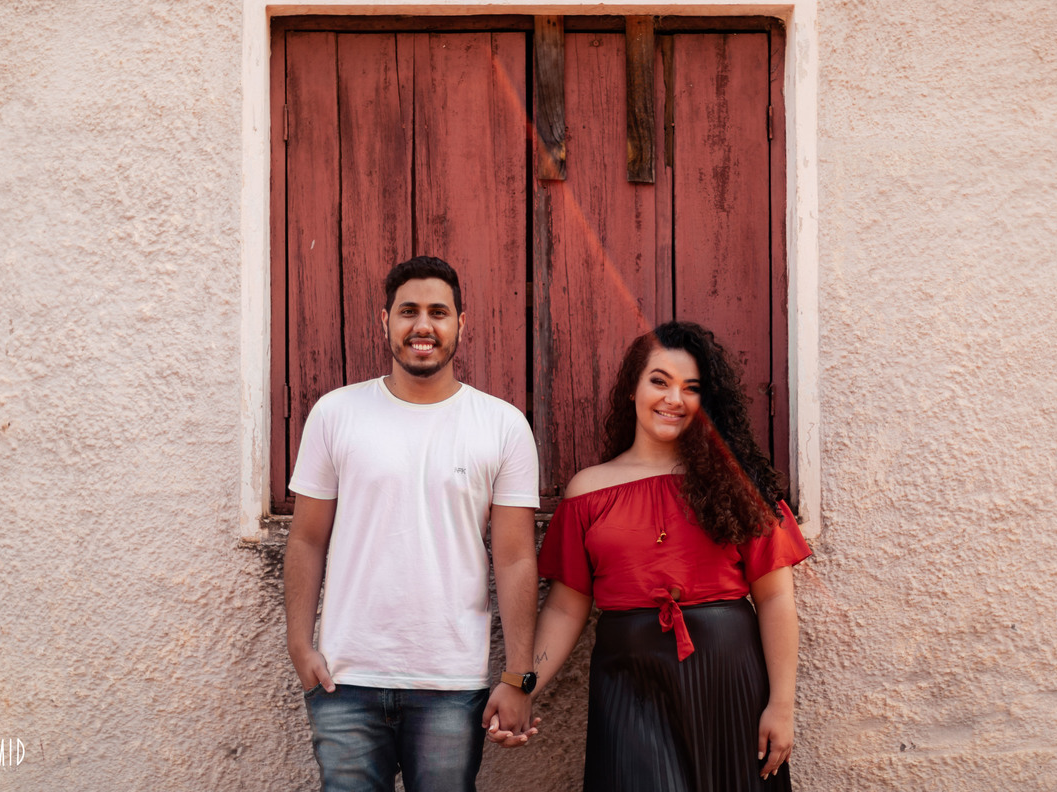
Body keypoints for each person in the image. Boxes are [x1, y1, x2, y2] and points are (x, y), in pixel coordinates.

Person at [284, 256, 541, 792]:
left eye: (438, 312)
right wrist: (299, 645)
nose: (423, 325)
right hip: (345, 681)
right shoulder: (335, 414)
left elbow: (516, 558)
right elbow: (306, 539)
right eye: (408, 311)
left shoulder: (502, 425)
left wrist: (518, 677)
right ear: (385, 321)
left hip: (451, 683)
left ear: (460, 323)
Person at [532, 321, 812, 791]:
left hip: (730, 677)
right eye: (659, 381)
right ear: (633, 388)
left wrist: (781, 706)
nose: (673, 399)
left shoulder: (738, 484)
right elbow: (564, 607)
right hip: (628, 680)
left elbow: (775, 598)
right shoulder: (587, 492)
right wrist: (522, 686)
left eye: (691, 388)